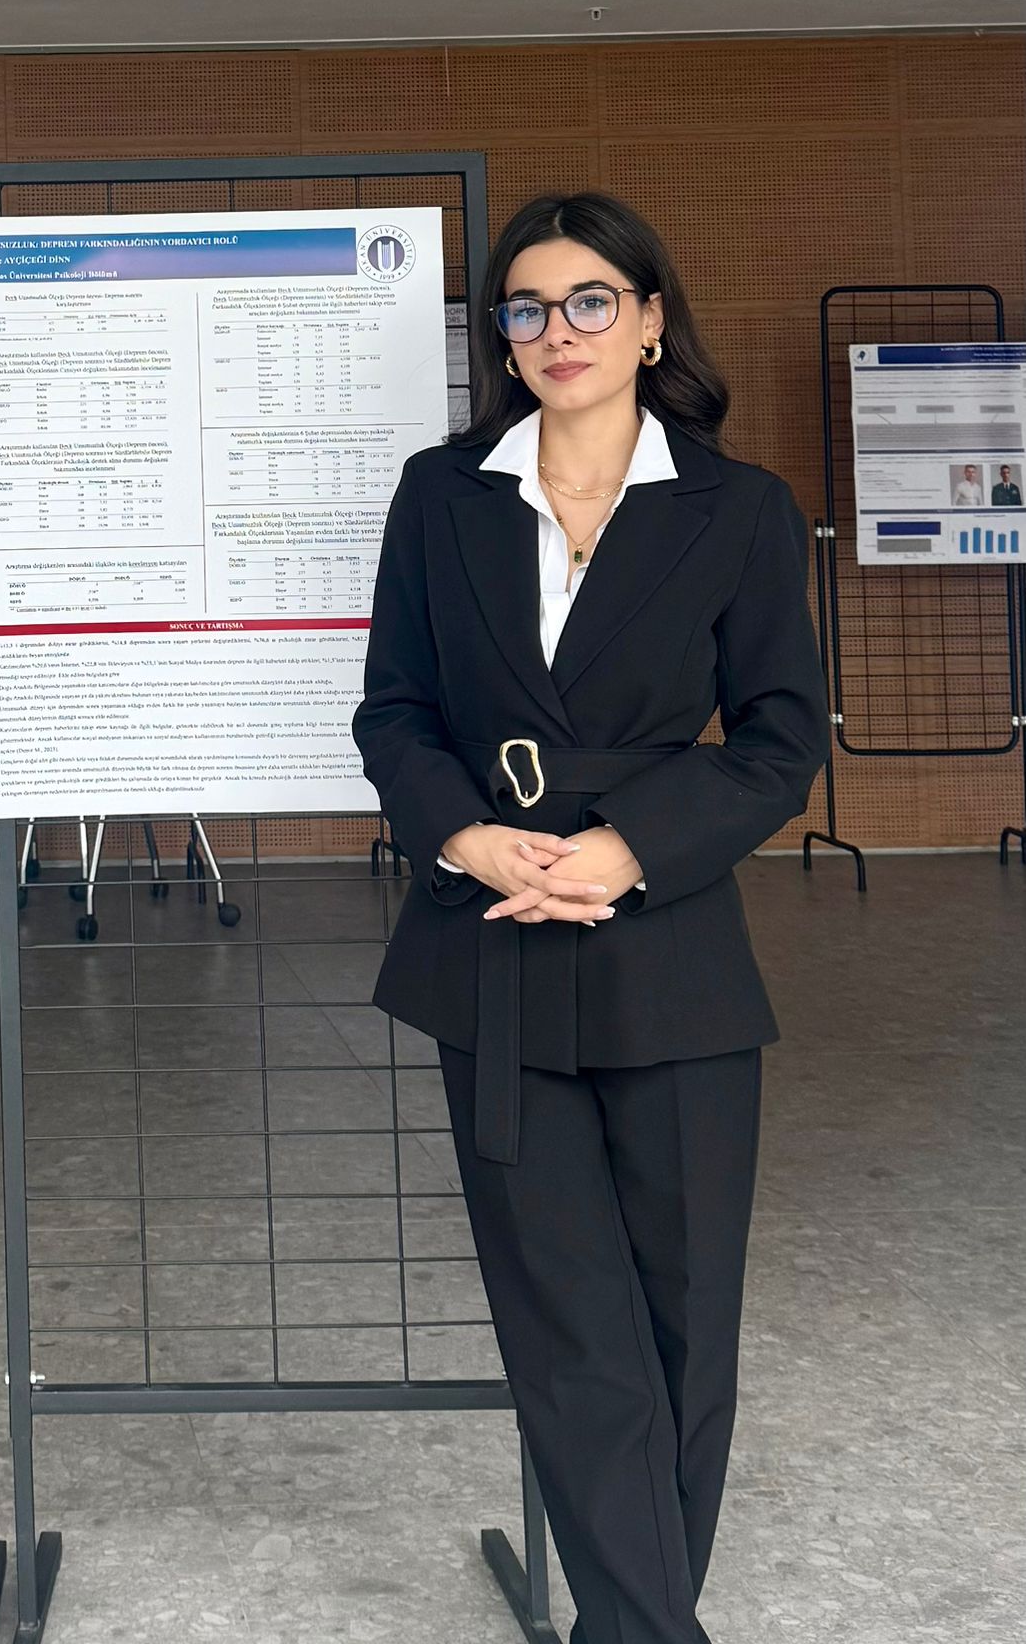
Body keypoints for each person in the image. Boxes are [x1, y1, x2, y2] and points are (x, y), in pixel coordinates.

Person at [352, 192, 828, 1644]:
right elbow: (395, 708)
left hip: (667, 948)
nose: (556, 332)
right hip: (489, 940)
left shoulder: (737, 509)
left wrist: (627, 851)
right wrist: (463, 835)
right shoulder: (442, 495)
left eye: (589, 301)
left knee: (683, 1322)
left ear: (650, 320)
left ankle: (631, 1621)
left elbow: (779, 740)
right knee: (567, 1327)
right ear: (501, 338)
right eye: (526, 308)